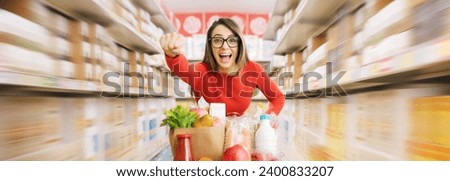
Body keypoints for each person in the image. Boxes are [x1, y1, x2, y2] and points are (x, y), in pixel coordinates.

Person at [160, 18, 284, 116]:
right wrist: (172, 54)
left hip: (238, 135)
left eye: (232, 40)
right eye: (218, 40)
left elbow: (277, 97)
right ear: (210, 45)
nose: (225, 46)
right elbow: (183, 69)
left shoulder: (253, 69)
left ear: (240, 44)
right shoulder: (202, 71)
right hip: (208, 135)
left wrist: (267, 119)